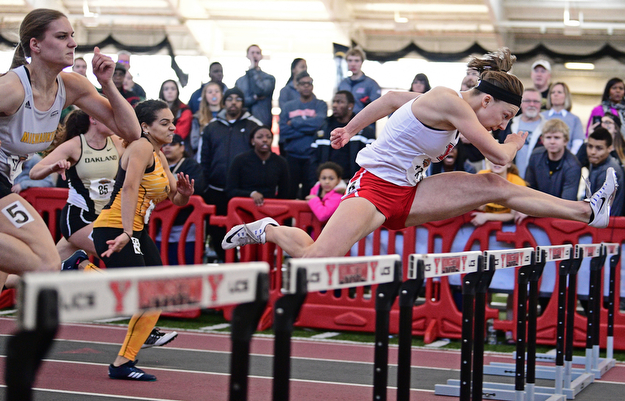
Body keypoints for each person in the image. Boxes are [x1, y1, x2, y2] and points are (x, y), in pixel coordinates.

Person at [221, 48, 618, 261]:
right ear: (486, 100)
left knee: (495, 185)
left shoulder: (446, 104)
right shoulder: (450, 100)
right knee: (313, 259)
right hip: (373, 189)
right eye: (506, 115)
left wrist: (353, 128)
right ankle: (269, 229)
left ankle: (588, 212)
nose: (504, 123)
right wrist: (516, 140)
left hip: (411, 190)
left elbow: (393, 98)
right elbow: (500, 152)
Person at [0, 8, 140, 290]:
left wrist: (107, 85)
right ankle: (64, 270)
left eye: (72, 36)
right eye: (62, 36)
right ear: (35, 45)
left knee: (25, 268)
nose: (73, 43)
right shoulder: (12, 89)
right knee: (46, 263)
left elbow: (131, 131)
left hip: (5, 181)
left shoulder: (70, 86)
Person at [93, 99, 194, 381]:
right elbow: (128, 188)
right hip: (116, 228)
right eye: (165, 123)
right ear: (145, 126)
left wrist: (185, 193)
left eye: (173, 121)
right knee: (141, 292)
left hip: (136, 231)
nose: (173, 127)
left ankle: (123, 363)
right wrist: (126, 232)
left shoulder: (159, 155)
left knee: (156, 292)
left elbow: (175, 198)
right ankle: (75, 267)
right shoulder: (140, 147)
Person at [29, 109, 124, 259]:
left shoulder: (117, 142)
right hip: (80, 219)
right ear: (93, 119)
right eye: (109, 117)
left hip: (104, 217)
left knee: (49, 267)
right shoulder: (74, 145)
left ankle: (11, 282)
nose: (114, 121)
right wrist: (52, 168)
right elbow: (34, 172)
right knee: (120, 256)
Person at [199, 87, 262, 260]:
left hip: (244, 193)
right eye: (229, 99)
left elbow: (259, 157)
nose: (233, 102)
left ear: (243, 103)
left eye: (238, 99)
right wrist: (204, 185)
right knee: (218, 233)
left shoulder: (253, 125)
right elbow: (203, 158)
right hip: (216, 189)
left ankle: (247, 269)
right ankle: (228, 266)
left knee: (247, 233)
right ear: (224, 102)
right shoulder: (212, 127)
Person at [157, 134, 205, 265]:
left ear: (182, 147)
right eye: (165, 145)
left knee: (185, 261)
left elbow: (198, 187)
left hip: (186, 222)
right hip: (159, 224)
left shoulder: (191, 165)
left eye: (172, 145)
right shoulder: (156, 164)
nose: (167, 148)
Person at [279, 71, 327, 199]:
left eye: (309, 84)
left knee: (309, 195)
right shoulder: (288, 106)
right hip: (292, 156)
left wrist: (294, 122)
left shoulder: (320, 105)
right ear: (296, 86)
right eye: (303, 84)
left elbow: (320, 124)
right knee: (289, 194)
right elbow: (284, 130)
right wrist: (308, 128)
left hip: (312, 157)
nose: (306, 86)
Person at [311, 90, 374, 183]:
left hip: (355, 184)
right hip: (327, 185)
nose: (334, 105)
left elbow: (371, 161)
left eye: (340, 102)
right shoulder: (323, 128)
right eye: (334, 102)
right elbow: (313, 159)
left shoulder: (365, 131)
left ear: (350, 106)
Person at [226, 125, 289, 205]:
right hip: (245, 207)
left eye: (268, 137)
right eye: (260, 137)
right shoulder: (240, 160)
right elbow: (230, 190)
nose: (265, 140)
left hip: (271, 209)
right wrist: (251, 194)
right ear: (252, 141)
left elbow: (285, 192)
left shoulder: (281, 162)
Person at [525, 118, 582, 201]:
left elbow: (568, 200)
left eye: (557, 137)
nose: (552, 141)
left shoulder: (573, 165)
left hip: (562, 210)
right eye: (548, 137)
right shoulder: (536, 156)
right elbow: (529, 188)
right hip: (536, 207)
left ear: (565, 141)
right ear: (542, 140)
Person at [471, 159, 526, 226]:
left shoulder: (517, 182)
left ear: (509, 164)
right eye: (493, 160)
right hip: (480, 224)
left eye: (501, 160)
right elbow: (478, 207)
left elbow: (512, 215)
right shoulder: (481, 176)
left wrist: (486, 216)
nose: (497, 163)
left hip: (507, 225)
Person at [585, 128, 624, 216]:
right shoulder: (596, 161)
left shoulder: (609, 171)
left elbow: (596, 210)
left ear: (610, 148)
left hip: (608, 224)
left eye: (599, 148)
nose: (593, 152)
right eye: (590, 146)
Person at [509, 88, 546, 178]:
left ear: (541, 104)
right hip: (510, 179)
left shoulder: (548, 128)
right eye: (528, 101)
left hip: (537, 181)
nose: (532, 104)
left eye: (536, 101)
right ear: (521, 103)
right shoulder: (508, 125)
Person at [235, 44, 276, 126]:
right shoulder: (240, 81)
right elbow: (239, 101)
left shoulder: (269, 78)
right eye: (252, 52)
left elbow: (260, 91)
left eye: (257, 53)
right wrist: (253, 98)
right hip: (243, 122)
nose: (254, 55)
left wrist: (252, 71)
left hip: (262, 121)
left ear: (261, 56)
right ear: (247, 56)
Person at [541, 82, 584, 154]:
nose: (555, 94)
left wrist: (570, 159)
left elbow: (578, 143)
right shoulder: (541, 116)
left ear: (566, 96)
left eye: (559, 92)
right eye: (552, 92)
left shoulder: (574, 119)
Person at [338, 48, 381, 116]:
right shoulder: (343, 84)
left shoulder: (371, 84)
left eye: (357, 61)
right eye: (350, 60)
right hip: (344, 124)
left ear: (362, 62)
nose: (353, 64)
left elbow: (377, 109)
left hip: (365, 124)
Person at [189, 81, 223, 157]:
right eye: (210, 92)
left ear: (221, 95)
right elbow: (194, 143)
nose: (214, 94)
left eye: (217, 91)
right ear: (205, 96)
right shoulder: (197, 117)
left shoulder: (228, 115)